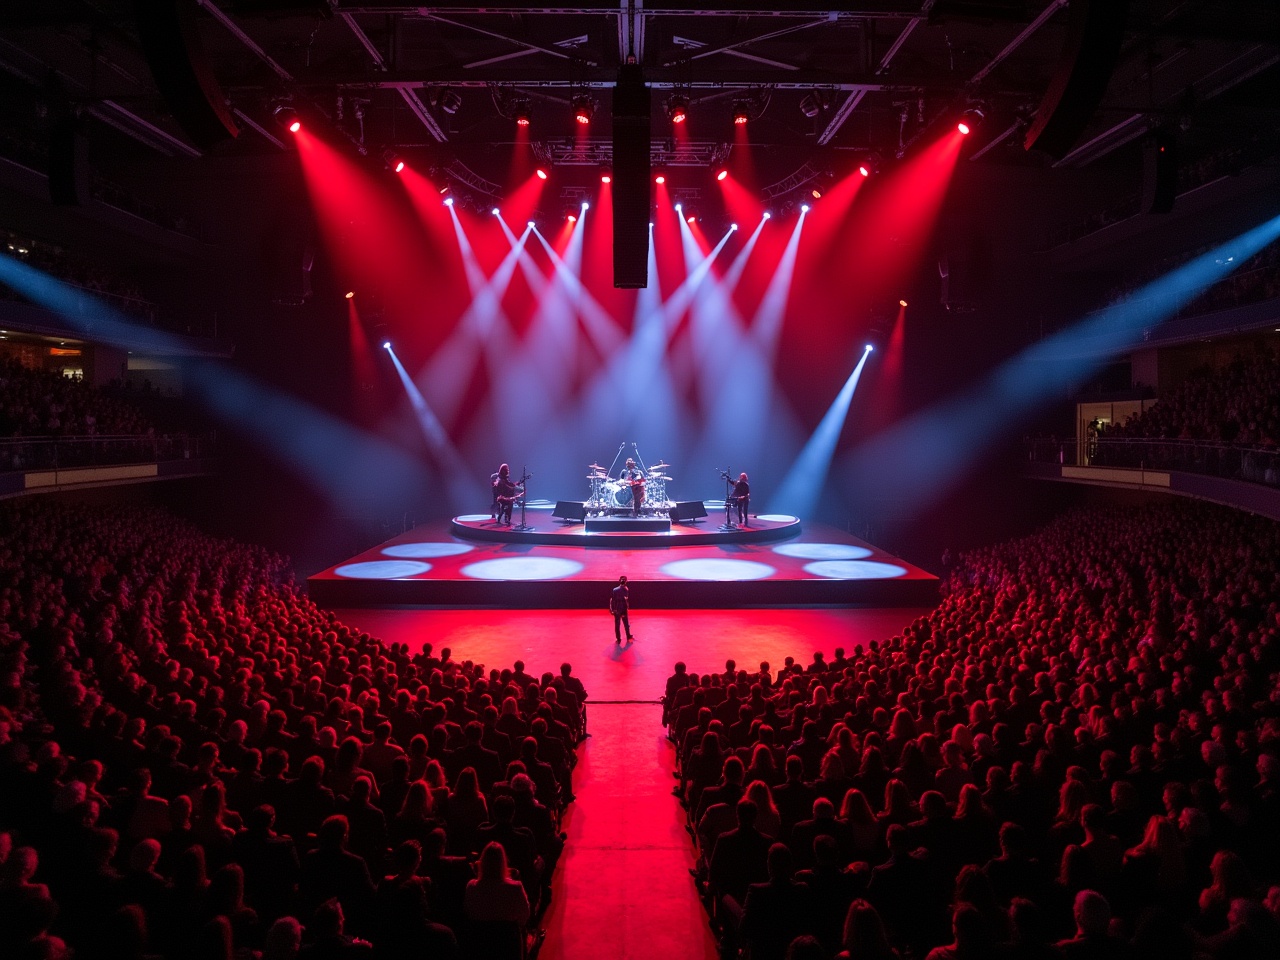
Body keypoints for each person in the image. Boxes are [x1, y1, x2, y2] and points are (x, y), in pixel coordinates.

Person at [610, 575, 634, 644]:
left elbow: (612, 600)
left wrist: (612, 609)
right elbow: (625, 601)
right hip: (623, 609)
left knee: (617, 625)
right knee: (626, 624)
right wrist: (625, 610)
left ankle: (618, 639)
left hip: (616, 610)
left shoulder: (614, 590)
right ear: (626, 581)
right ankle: (628, 636)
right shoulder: (626, 590)